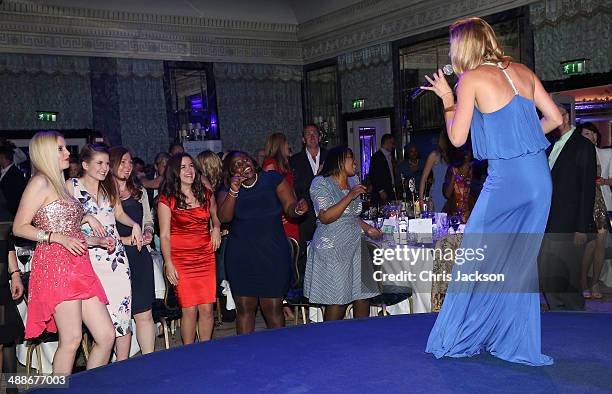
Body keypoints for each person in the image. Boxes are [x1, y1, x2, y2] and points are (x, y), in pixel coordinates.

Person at [423, 17, 562, 366]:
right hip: (538, 179)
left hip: (507, 180)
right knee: (519, 263)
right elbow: (556, 118)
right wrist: (523, 141)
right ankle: (513, 341)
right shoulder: (523, 71)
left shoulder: (470, 79)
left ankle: (455, 338)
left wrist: (446, 98)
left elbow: (456, 139)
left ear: (464, 47)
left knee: (472, 257)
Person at [13, 131, 115, 374]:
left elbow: (70, 232)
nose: (68, 152)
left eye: (65, 148)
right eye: (60, 149)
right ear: (46, 152)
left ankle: (89, 386)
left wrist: (96, 241)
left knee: (106, 334)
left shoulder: (61, 185)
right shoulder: (40, 182)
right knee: (71, 339)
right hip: (56, 267)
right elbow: (19, 227)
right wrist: (55, 237)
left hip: (79, 266)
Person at [68, 143, 143, 361]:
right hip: (87, 258)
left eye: (107, 164)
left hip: (115, 259)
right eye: (99, 163)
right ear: (85, 164)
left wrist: (134, 224)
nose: (104, 168)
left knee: (122, 316)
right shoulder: (71, 186)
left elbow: (118, 212)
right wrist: (85, 218)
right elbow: (61, 219)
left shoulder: (108, 185)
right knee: (100, 325)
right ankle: (100, 372)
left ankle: (122, 367)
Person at [218, 151, 308, 334]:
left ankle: (277, 355)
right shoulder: (227, 190)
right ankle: (246, 356)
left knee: (273, 309)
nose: (244, 164)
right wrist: (234, 190)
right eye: (237, 164)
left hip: (272, 254)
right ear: (231, 172)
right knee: (245, 310)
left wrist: (297, 210)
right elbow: (224, 217)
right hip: (242, 257)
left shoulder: (272, 179)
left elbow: (290, 207)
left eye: (245, 159)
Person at [304, 146, 381, 321]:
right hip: (333, 247)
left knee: (363, 296)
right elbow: (325, 216)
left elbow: (351, 215)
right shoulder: (321, 183)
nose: (355, 162)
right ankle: (330, 343)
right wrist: (350, 196)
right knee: (337, 300)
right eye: (351, 158)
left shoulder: (353, 180)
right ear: (339, 160)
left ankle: (359, 339)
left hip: (355, 242)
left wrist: (367, 228)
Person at [158, 153, 221, 344]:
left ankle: (206, 350)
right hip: (181, 259)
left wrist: (216, 227)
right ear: (175, 172)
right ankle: (188, 353)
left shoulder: (205, 193)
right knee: (189, 309)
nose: (189, 170)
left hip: (205, 255)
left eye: (191, 166)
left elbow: (216, 216)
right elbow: (164, 235)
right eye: (183, 167)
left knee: (207, 309)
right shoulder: (167, 199)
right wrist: (168, 263)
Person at [540, 105, 596, 311]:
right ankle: (557, 312)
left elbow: (587, 188)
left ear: (564, 117)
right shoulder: (549, 144)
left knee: (569, 273)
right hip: (548, 218)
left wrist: (582, 227)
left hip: (570, 221)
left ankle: (575, 319)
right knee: (549, 269)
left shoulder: (583, 145)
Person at [110, 147, 156, 354]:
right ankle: (122, 366)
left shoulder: (139, 191)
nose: (127, 166)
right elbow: (101, 230)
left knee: (144, 313)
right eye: (122, 162)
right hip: (115, 259)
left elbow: (148, 219)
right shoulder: (102, 194)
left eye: (129, 162)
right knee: (121, 318)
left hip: (140, 255)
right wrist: (126, 240)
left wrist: (147, 232)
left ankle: (149, 361)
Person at [580, 122, 612, 299]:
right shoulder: (577, 155)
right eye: (586, 134)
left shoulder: (606, 154)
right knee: (591, 244)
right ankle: (584, 282)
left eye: (593, 134)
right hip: (584, 202)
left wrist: (604, 181)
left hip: (601, 202)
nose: (591, 137)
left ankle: (594, 283)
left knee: (600, 241)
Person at [290, 124, 328, 245]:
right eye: (308, 134)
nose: (312, 137)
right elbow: (295, 187)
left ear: (319, 137)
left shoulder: (330, 157)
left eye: (314, 134)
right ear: (303, 139)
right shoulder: (295, 160)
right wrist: (316, 179)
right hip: (306, 216)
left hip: (328, 213)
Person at [263, 133, 300, 241]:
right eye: (286, 143)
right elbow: (266, 194)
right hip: (281, 218)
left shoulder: (285, 166)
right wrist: (276, 214)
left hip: (290, 215)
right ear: (279, 145)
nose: (288, 146)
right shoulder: (271, 164)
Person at [443, 145, 475, 223]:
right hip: (453, 211)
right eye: (464, 153)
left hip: (470, 211)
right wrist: (453, 177)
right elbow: (447, 194)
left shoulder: (474, 169)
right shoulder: (453, 169)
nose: (466, 155)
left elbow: (477, 192)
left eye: (468, 153)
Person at [419, 133, 450, 212]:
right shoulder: (434, 155)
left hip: (451, 193)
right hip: (437, 194)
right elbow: (423, 178)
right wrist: (421, 200)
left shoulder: (454, 156)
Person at [368, 134, 396, 204]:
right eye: (392, 143)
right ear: (387, 142)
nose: (393, 146)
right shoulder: (377, 157)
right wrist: (381, 190)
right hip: (382, 191)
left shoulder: (389, 156)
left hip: (390, 189)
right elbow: (373, 175)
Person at [0, 145, 28, 216]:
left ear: (6, 159)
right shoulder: (2, 171)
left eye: (1, 157)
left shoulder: (16, 174)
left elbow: (16, 195)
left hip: (9, 211)